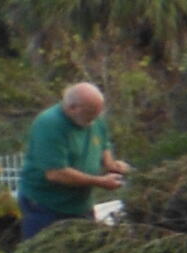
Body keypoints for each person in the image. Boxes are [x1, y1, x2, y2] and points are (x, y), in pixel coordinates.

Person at [16, 81, 129, 240]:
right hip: (45, 205)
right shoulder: (49, 125)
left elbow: (103, 144)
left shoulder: (96, 120)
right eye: (90, 115)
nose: (94, 120)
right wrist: (100, 181)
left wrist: (111, 164)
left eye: (97, 114)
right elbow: (56, 173)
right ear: (72, 108)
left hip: (80, 204)